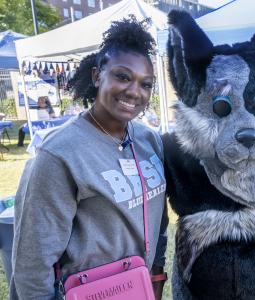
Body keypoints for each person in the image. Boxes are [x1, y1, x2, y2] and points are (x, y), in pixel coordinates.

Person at [10, 17, 168, 299]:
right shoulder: (58, 154)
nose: (135, 91)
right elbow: (32, 261)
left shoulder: (149, 140)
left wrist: (156, 275)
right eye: (122, 76)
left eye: (146, 84)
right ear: (97, 76)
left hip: (138, 290)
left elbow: (159, 222)